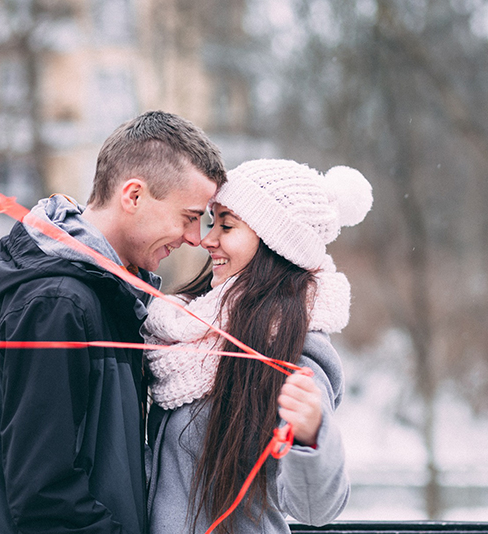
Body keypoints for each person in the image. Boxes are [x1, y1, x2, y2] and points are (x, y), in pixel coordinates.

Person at [0, 110, 227, 534]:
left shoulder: (107, 295)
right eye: (190, 217)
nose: (194, 238)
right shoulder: (58, 303)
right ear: (133, 196)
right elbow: (45, 497)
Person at [144, 158, 373, 533]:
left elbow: (316, 509)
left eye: (227, 226)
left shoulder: (292, 352)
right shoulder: (182, 333)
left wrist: (310, 436)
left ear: (274, 244)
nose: (207, 239)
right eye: (211, 221)